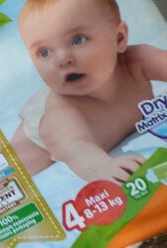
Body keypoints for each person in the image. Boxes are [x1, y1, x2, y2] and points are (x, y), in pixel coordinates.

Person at [11, 0, 167, 183]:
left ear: (119, 38)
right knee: (13, 169)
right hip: (42, 136)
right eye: (44, 52)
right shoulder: (61, 109)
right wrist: (102, 167)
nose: (62, 59)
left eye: (78, 40)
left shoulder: (138, 61)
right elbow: (73, 148)